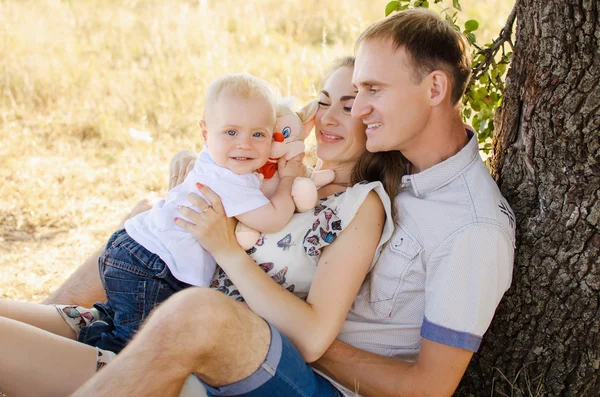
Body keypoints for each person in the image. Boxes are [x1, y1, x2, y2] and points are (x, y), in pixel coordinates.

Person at [66, 9, 515, 397]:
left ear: (435, 89)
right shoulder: (397, 162)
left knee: (198, 314)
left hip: (312, 377)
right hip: (265, 334)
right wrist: (201, 162)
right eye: (352, 94)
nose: (357, 110)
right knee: (147, 225)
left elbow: (428, 389)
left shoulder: (470, 227)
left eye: (371, 91)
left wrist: (267, 327)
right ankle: (74, 326)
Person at [0, 57, 403, 397]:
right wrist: (190, 161)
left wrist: (225, 246)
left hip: (177, 347)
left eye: (348, 107)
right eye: (323, 102)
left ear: (374, 120)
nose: (328, 118)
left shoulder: (360, 205)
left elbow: (314, 338)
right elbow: (228, 150)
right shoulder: (292, 173)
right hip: (145, 304)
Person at [52, 72, 312, 354]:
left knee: (122, 325)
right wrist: (288, 179)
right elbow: (272, 219)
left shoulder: (217, 162)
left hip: (136, 252)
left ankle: (89, 338)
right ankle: (73, 366)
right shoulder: (229, 179)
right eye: (231, 132)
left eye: (258, 134)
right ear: (205, 133)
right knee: (137, 351)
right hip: (153, 266)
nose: (245, 144)